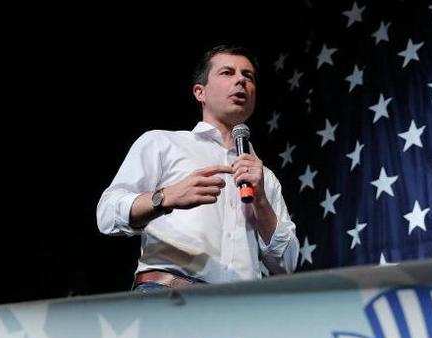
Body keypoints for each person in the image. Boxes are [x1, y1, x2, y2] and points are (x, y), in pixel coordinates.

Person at [96, 44, 299, 291]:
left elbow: (286, 264)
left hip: (240, 311)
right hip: (168, 297)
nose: (240, 81)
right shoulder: (162, 143)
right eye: (227, 73)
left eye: (248, 76)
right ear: (200, 92)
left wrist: (261, 202)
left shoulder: (264, 177)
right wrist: (165, 197)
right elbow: (106, 215)